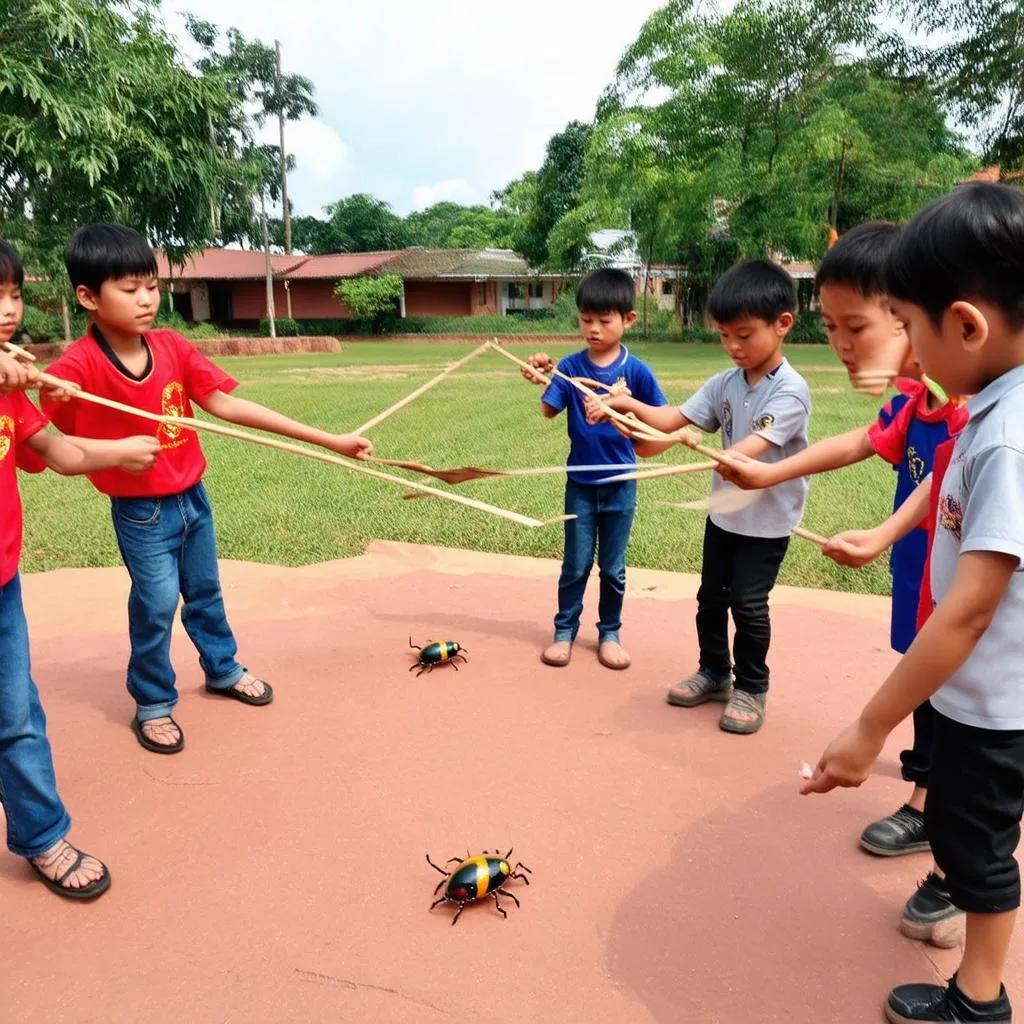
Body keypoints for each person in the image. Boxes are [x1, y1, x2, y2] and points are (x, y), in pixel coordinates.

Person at [804, 181, 1024, 1024]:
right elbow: (939, 488)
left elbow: (966, 611)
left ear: (966, 325)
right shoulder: (989, 411)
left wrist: (871, 725)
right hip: (984, 694)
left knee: (980, 846)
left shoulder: (1004, 435)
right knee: (973, 833)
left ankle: (980, 998)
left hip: (992, 701)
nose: (908, 351)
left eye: (912, 325)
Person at [714, 223, 969, 944]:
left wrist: (886, 533)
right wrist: (767, 470)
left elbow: (950, 475)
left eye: (856, 325)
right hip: (925, 576)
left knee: (969, 714)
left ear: (918, 313)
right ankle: (926, 801)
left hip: (968, 589)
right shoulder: (916, 392)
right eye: (831, 327)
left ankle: (960, 858)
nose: (843, 345)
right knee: (933, 694)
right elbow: (864, 440)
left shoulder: (972, 402)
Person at [40, 224, 372, 755]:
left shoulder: (171, 346)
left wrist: (329, 440)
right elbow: (43, 441)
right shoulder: (73, 369)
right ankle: (152, 701)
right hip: (140, 512)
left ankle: (221, 668)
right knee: (154, 604)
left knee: (206, 592)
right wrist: (75, 417)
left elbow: (227, 405)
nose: (147, 299)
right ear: (88, 297)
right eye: (129, 290)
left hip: (194, 500)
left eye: (151, 285)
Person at [588, 260, 810, 734]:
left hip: (767, 521)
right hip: (726, 513)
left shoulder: (792, 391)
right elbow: (670, 421)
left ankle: (752, 687)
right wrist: (625, 408)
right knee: (711, 598)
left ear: (783, 324)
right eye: (725, 335)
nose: (733, 346)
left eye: (744, 335)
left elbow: (754, 451)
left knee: (748, 604)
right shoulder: (724, 383)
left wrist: (720, 457)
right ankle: (714, 672)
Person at [0, 236, 159, 898]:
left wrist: (118, 449)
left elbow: (59, 454)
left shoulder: (9, 389)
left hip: (1, 582)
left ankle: (40, 834)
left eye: (12, 295)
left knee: (15, 716)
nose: (8, 311)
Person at [520, 268, 668, 671]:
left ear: (628, 320)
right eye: (587, 320)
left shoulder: (636, 372)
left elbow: (660, 418)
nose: (594, 329)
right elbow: (549, 410)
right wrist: (540, 376)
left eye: (605, 320)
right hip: (580, 485)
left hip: (621, 484)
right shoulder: (569, 366)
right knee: (576, 563)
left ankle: (609, 633)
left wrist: (623, 410)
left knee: (614, 568)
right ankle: (564, 631)